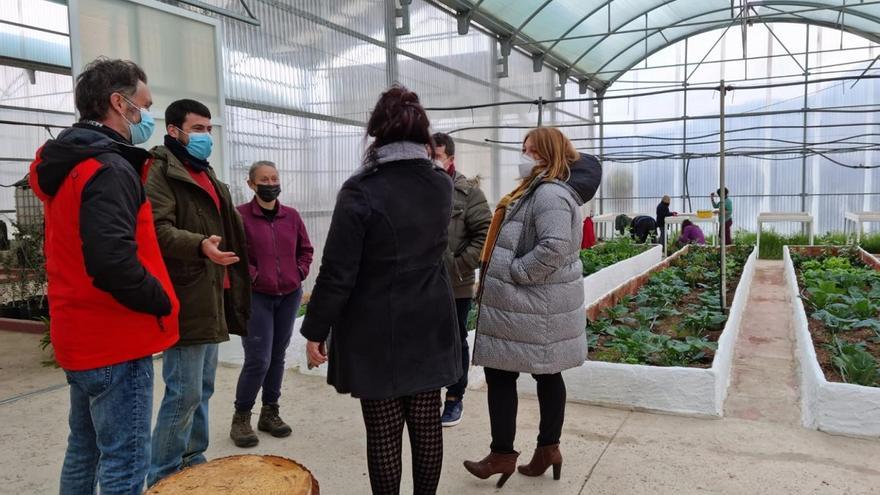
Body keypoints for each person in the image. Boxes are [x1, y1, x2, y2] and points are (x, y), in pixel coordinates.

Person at [29, 57, 179, 494]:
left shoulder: (71, 164)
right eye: (145, 105)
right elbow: (111, 260)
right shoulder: (110, 168)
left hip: (81, 335)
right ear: (120, 102)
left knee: (85, 449)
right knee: (126, 461)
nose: (149, 114)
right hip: (116, 340)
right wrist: (160, 299)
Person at [301, 85, 461, 495]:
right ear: (423, 136)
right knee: (426, 424)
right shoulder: (440, 185)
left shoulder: (362, 190)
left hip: (375, 327)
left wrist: (315, 329)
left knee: (385, 432)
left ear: (376, 135)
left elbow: (338, 271)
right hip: (429, 320)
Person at [464, 127, 601, 489]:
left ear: (548, 155)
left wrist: (518, 272)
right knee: (536, 374)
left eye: (531, 151)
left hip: (533, 304)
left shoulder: (550, 194)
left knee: (512, 373)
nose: (524, 157)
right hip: (531, 306)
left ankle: (508, 454)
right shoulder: (537, 189)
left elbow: (555, 245)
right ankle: (540, 451)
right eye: (524, 150)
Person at [146, 99, 251, 486]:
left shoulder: (204, 172)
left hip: (213, 294)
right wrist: (199, 244)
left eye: (209, 129)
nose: (206, 136)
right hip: (187, 294)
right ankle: (164, 475)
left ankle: (193, 459)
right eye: (198, 129)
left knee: (202, 388)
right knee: (183, 391)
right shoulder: (161, 172)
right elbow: (156, 229)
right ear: (174, 131)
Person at [230, 160, 314, 447]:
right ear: (251, 184)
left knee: (277, 355)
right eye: (263, 180)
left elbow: (306, 249)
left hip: (288, 295)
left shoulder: (291, 216)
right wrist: (255, 278)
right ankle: (241, 417)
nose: (270, 184)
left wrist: (299, 272)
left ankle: (270, 412)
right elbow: (234, 255)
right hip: (257, 297)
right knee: (258, 358)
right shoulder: (239, 216)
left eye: (274, 178)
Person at [431, 132, 491, 428]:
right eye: (427, 155)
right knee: (426, 339)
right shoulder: (418, 190)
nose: (431, 161)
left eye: (437, 156)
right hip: (422, 284)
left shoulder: (468, 194)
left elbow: (485, 233)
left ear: (451, 159)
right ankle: (428, 395)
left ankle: (454, 398)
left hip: (456, 283)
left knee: (454, 339)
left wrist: (458, 266)